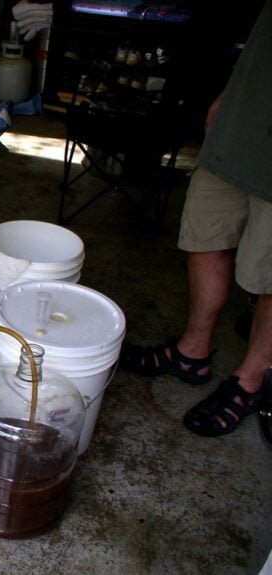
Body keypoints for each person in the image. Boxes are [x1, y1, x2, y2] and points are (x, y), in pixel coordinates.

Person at [120, 0, 272, 437]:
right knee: (205, 233)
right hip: (242, 119)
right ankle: (192, 352)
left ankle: (251, 379)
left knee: (269, 275)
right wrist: (232, 91)